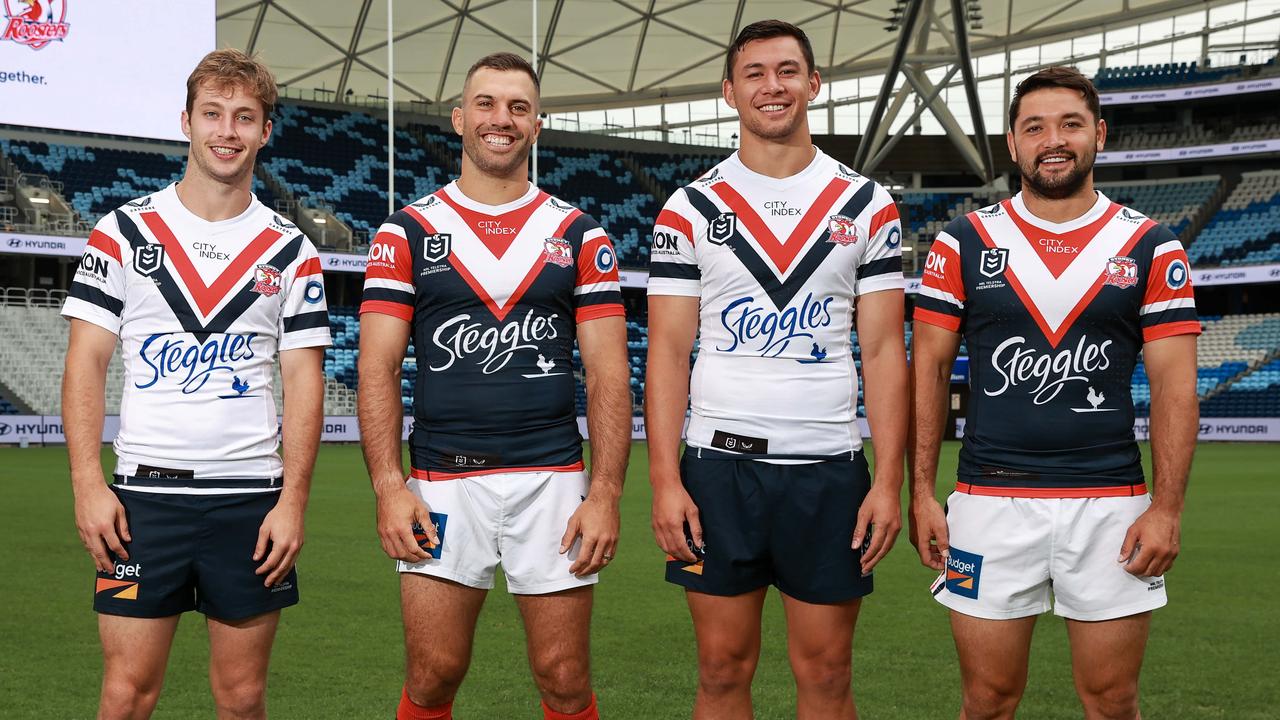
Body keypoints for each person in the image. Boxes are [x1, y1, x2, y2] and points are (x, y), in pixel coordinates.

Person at [910, 66, 1199, 720]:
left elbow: (1175, 387)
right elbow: (925, 373)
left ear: (1099, 133)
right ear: (1012, 144)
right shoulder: (962, 242)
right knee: (985, 701)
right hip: (984, 508)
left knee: (1113, 701)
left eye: (1070, 124)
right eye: (1034, 127)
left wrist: (1168, 507)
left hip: (1112, 509)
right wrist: (922, 492)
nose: (1053, 140)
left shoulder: (1150, 244)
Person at [644, 20, 908, 720]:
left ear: (814, 84)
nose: (772, 85)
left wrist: (888, 480)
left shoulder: (867, 203)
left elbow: (884, 351)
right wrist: (665, 479)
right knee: (721, 672)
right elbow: (668, 351)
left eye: (788, 70)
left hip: (829, 471)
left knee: (826, 676)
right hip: (718, 472)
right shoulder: (691, 207)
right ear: (730, 91)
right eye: (755, 72)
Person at [357, 52, 631, 720]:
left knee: (564, 677)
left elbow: (608, 373)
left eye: (516, 107)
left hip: (554, 480)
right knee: (432, 674)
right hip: (442, 479)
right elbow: (376, 368)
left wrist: (606, 493)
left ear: (537, 123)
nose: (500, 120)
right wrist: (390, 489)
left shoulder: (579, 232)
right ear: (458, 118)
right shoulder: (407, 230)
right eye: (485, 104)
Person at [61, 48, 330, 719]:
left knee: (241, 699)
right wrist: (89, 486)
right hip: (143, 505)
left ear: (265, 131)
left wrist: (293, 501)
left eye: (245, 117)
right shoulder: (122, 232)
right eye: (213, 113)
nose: (227, 131)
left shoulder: (292, 250)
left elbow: (305, 381)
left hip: (251, 504)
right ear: (185, 120)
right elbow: (85, 362)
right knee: (126, 694)